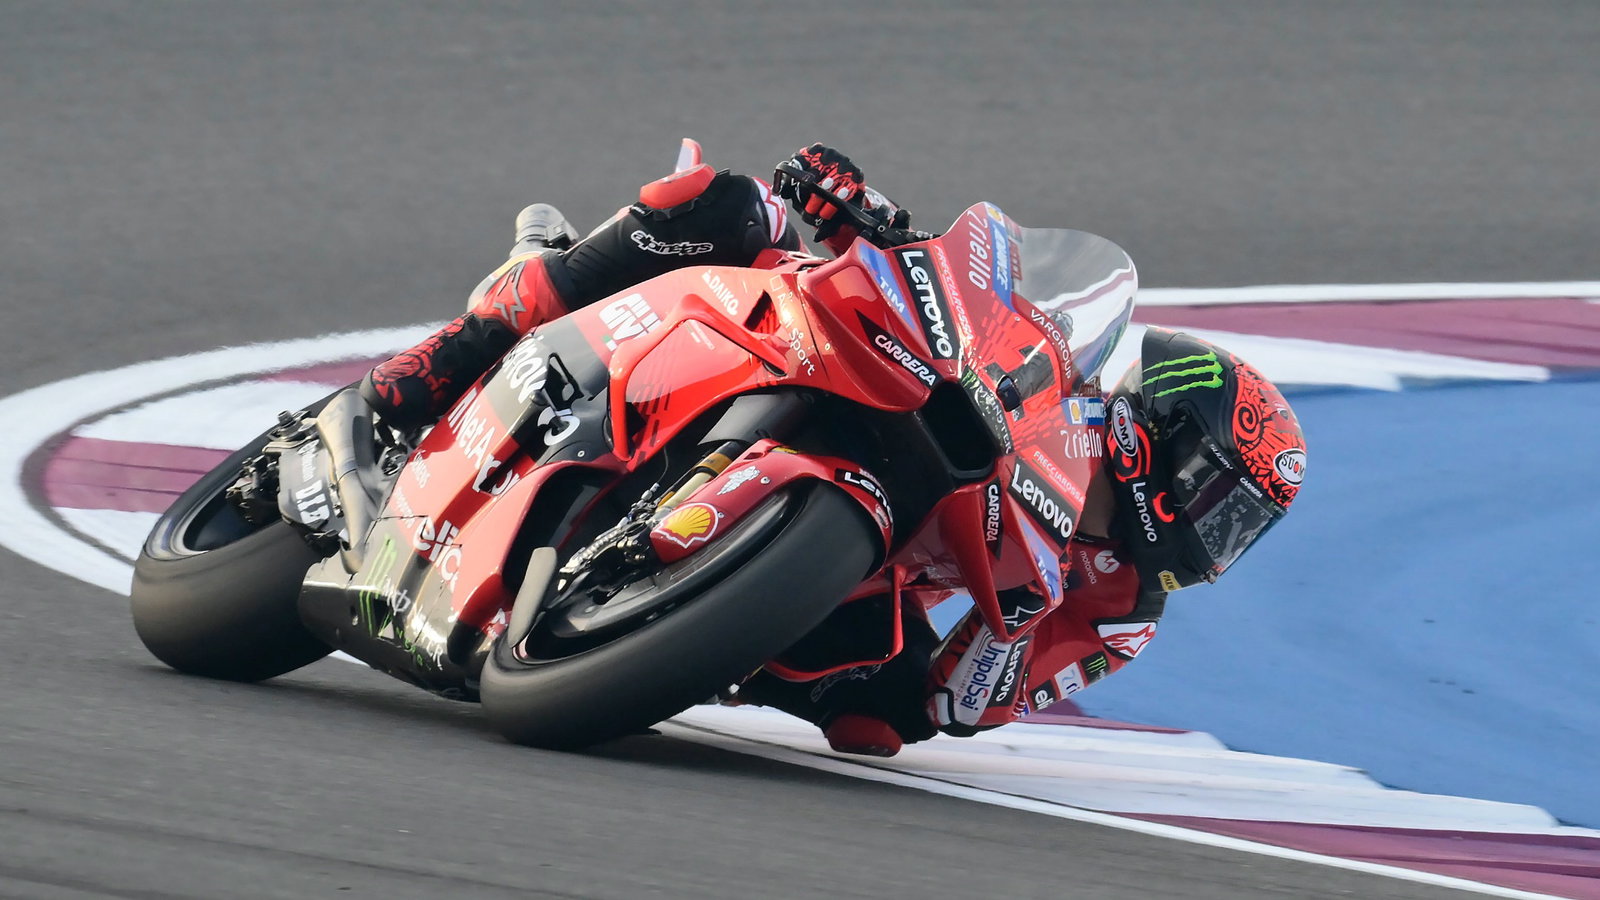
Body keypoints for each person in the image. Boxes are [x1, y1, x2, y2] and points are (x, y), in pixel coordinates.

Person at [360, 144, 1308, 757]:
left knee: (875, 721)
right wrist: (860, 211)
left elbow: (962, 701)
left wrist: (919, 685)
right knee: (724, 205)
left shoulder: (1119, 613)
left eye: (1245, 528)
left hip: (869, 563)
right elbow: (973, 290)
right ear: (1166, 443)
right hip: (807, 342)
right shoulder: (1063, 382)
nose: (1223, 540)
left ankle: (664, 621)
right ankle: (462, 345)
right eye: (1223, 501)